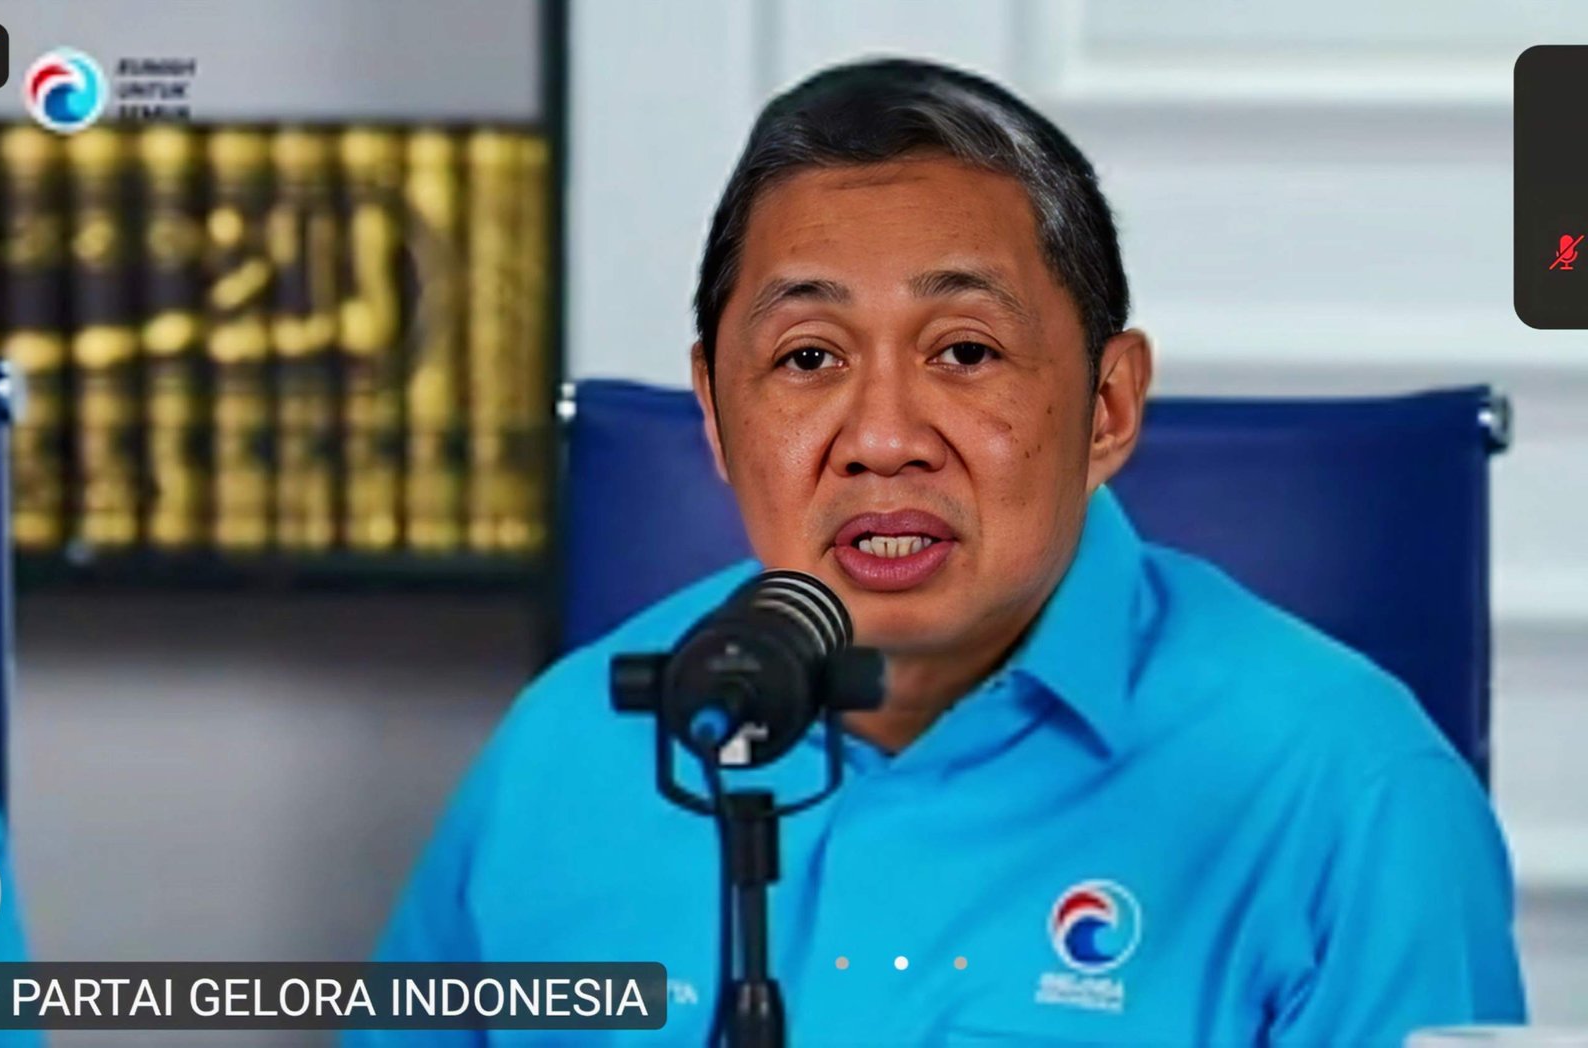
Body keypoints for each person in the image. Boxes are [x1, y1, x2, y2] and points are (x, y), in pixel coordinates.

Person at [360, 58, 1526, 1045]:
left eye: (964, 351)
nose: (882, 439)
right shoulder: (566, 749)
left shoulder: (1355, 799)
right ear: (714, 414)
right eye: (808, 358)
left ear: (1108, 406)